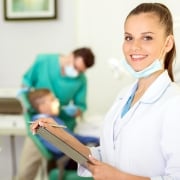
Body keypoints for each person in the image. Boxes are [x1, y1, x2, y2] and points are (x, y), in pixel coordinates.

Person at [31, 2, 180, 180]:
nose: (134, 47)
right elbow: (105, 159)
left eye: (147, 38)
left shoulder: (174, 102)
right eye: (128, 37)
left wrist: (119, 177)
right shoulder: (123, 96)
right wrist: (61, 137)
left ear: (168, 43)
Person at [17, 47, 95, 180]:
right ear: (70, 56)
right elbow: (26, 82)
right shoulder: (44, 61)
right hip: (39, 126)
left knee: (54, 170)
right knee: (26, 172)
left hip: (63, 125)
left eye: (81, 71)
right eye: (75, 68)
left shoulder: (81, 80)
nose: (77, 73)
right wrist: (26, 95)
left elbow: (80, 107)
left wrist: (75, 111)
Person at [28, 88, 99, 159]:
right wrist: (82, 148)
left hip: (72, 154)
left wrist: (96, 140)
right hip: (66, 157)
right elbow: (58, 148)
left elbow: (73, 137)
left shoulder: (55, 119)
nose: (57, 101)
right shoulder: (40, 124)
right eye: (52, 100)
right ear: (42, 107)